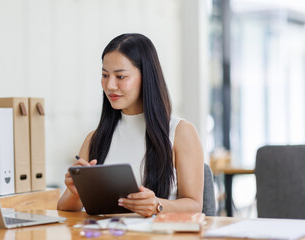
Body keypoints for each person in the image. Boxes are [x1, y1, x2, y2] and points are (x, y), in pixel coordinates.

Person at [57, 33, 204, 217]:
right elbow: (66, 209)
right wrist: (74, 191)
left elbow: (194, 204)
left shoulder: (181, 132)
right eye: (104, 75)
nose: (110, 85)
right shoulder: (95, 138)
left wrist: (158, 205)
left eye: (120, 76)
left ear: (146, 77)